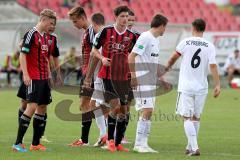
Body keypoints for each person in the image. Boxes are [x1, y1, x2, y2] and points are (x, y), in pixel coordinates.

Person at [165, 19, 221, 156]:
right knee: (196, 117)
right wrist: (217, 84)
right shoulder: (210, 45)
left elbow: (174, 57)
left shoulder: (186, 42)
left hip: (186, 86)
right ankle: (190, 146)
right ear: (204, 29)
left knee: (186, 117)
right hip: (201, 87)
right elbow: (213, 65)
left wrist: (167, 67)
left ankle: (195, 148)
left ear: (193, 27)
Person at [89, 5, 137, 152]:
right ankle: (110, 141)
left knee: (123, 110)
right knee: (115, 106)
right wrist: (102, 58)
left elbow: (133, 56)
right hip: (107, 75)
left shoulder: (132, 36)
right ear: (116, 17)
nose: (125, 19)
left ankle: (117, 143)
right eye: (122, 16)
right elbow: (94, 50)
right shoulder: (106, 31)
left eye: (127, 16)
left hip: (123, 77)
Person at [12, 9, 57, 152]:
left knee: (42, 107)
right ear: (43, 19)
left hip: (44, 78)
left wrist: (50, 75)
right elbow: (22, 55)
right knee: (31, 106)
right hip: (34, 77)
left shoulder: (44, 36)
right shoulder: (32, 33)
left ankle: (35, 144)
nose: (51, 25)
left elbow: (45, 58)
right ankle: (18, 144)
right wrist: (25, 74)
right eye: (50, 22)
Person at [128, 14, 168, 153]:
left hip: (151, 81)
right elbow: (131, 56)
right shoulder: (145, 37)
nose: (165, 30)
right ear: (162, 25)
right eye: (165, 27)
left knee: (148, 112)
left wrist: (162, 80)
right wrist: (133, 76)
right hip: (142, 80)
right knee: (147, 110)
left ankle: (143, 144)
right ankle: (139, 144)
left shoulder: (156, 40)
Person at [67, 7, 107, 147]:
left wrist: (90, 76)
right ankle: (96, 137)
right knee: (89, 105)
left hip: (92, 74)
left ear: (83, 17)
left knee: (90, 105)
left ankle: (94, 138)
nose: (74, 24)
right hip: (88, 73)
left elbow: (96, 52)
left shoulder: (92, 31)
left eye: (75, 21)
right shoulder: (86, 32)